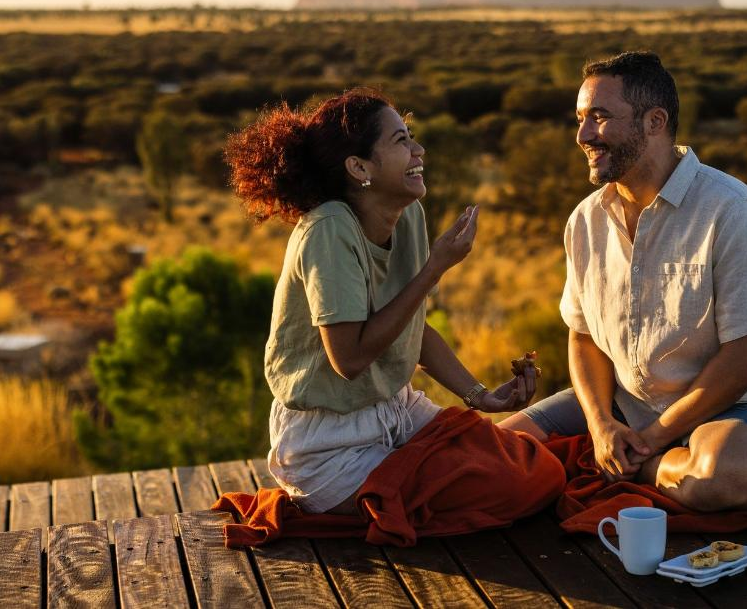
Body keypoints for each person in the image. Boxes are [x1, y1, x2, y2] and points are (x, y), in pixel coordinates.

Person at [502, 52, 747, 511]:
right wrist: (601, 424)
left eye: (600, 117)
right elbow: (583, 338)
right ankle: (630, 458)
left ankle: (633, 466)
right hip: (624, 404)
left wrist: (648, 441)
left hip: (732, 408)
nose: (583, 135)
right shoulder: (585, 220)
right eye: (581, 119)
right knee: (492, 450)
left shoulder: (731, 209)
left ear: (654, 122)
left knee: (723, 475)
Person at [225, 88, 536, 515]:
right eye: (401, 141)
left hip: (396, 412)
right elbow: (349, 359)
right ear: (359, 167)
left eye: (412, 138)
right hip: (329, 445)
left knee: (530, 466)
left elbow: (412, 327)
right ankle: (332, 506)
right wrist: (434, 268)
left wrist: (480, 396)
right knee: (508, 488)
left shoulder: (407, 216)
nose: (418, 151)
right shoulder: (328, 231)